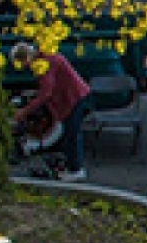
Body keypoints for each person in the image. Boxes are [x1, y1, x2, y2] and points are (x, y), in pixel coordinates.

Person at [11, 42, 92, 181]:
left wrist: (24, 111)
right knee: (69, 134)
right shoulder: (45, 58)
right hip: (71, 97)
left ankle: (76, 169)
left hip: (74, 97)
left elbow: (46, 92)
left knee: (72, 134)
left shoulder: (45, 63)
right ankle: (70, 166)